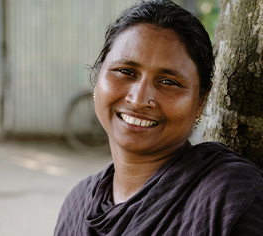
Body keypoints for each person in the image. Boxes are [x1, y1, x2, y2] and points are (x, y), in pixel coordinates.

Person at [54, 0, 263, 235]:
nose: (139, 99)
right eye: (125, 72)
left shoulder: (228, 200)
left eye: (168, 82)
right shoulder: (77, 205)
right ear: (98, 77)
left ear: (201, 101)